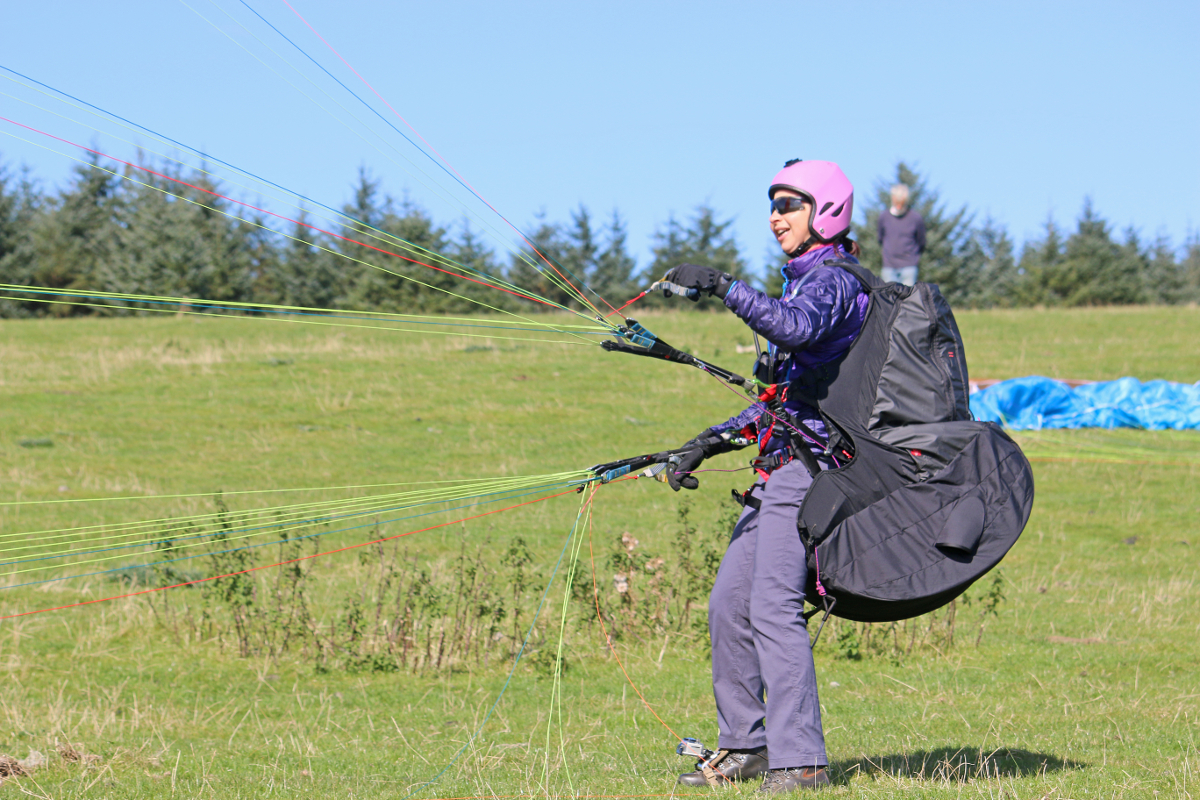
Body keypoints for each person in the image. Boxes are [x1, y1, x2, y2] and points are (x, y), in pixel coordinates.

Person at [655, 159, 869, 793]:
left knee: (773, 606)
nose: (775, 216)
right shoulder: (803, 281)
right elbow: (782, 400)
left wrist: (724, 287)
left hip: (813, 470)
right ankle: (746, 745)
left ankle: (799, 761)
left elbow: (795, 329)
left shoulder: (833, 283)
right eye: (772, 204)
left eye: (789, 205)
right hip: (778, 467)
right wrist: (707, 443)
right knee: (728, 605)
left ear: (825, 211)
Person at [876, 183, 925, 286]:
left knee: (907, 300)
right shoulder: (884, 217)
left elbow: (921, 241)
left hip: (909, 266)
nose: (899, 205)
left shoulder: (915, 218)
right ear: (892, 198)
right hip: (889, 267)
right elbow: (880, 238)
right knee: (889, 299)